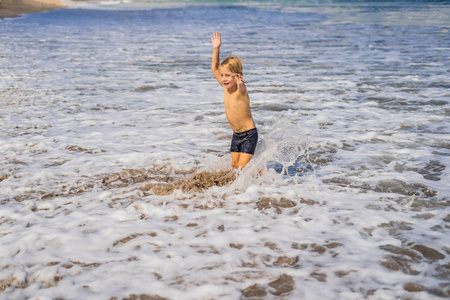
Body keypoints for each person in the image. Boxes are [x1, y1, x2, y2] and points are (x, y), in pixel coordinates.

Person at [211, 31, 258, 170]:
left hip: (249, 135)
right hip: (236, 135)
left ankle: (258, 185)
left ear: (237, 76)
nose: (224, 78)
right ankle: (259, 174)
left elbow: (242, 88)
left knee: (241, 169)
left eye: (228, 76)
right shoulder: (226, 88)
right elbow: (214, 67)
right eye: (222, 75)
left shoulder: (241, 91)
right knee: (234, 166)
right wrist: (216, 49)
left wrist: (239, 82)